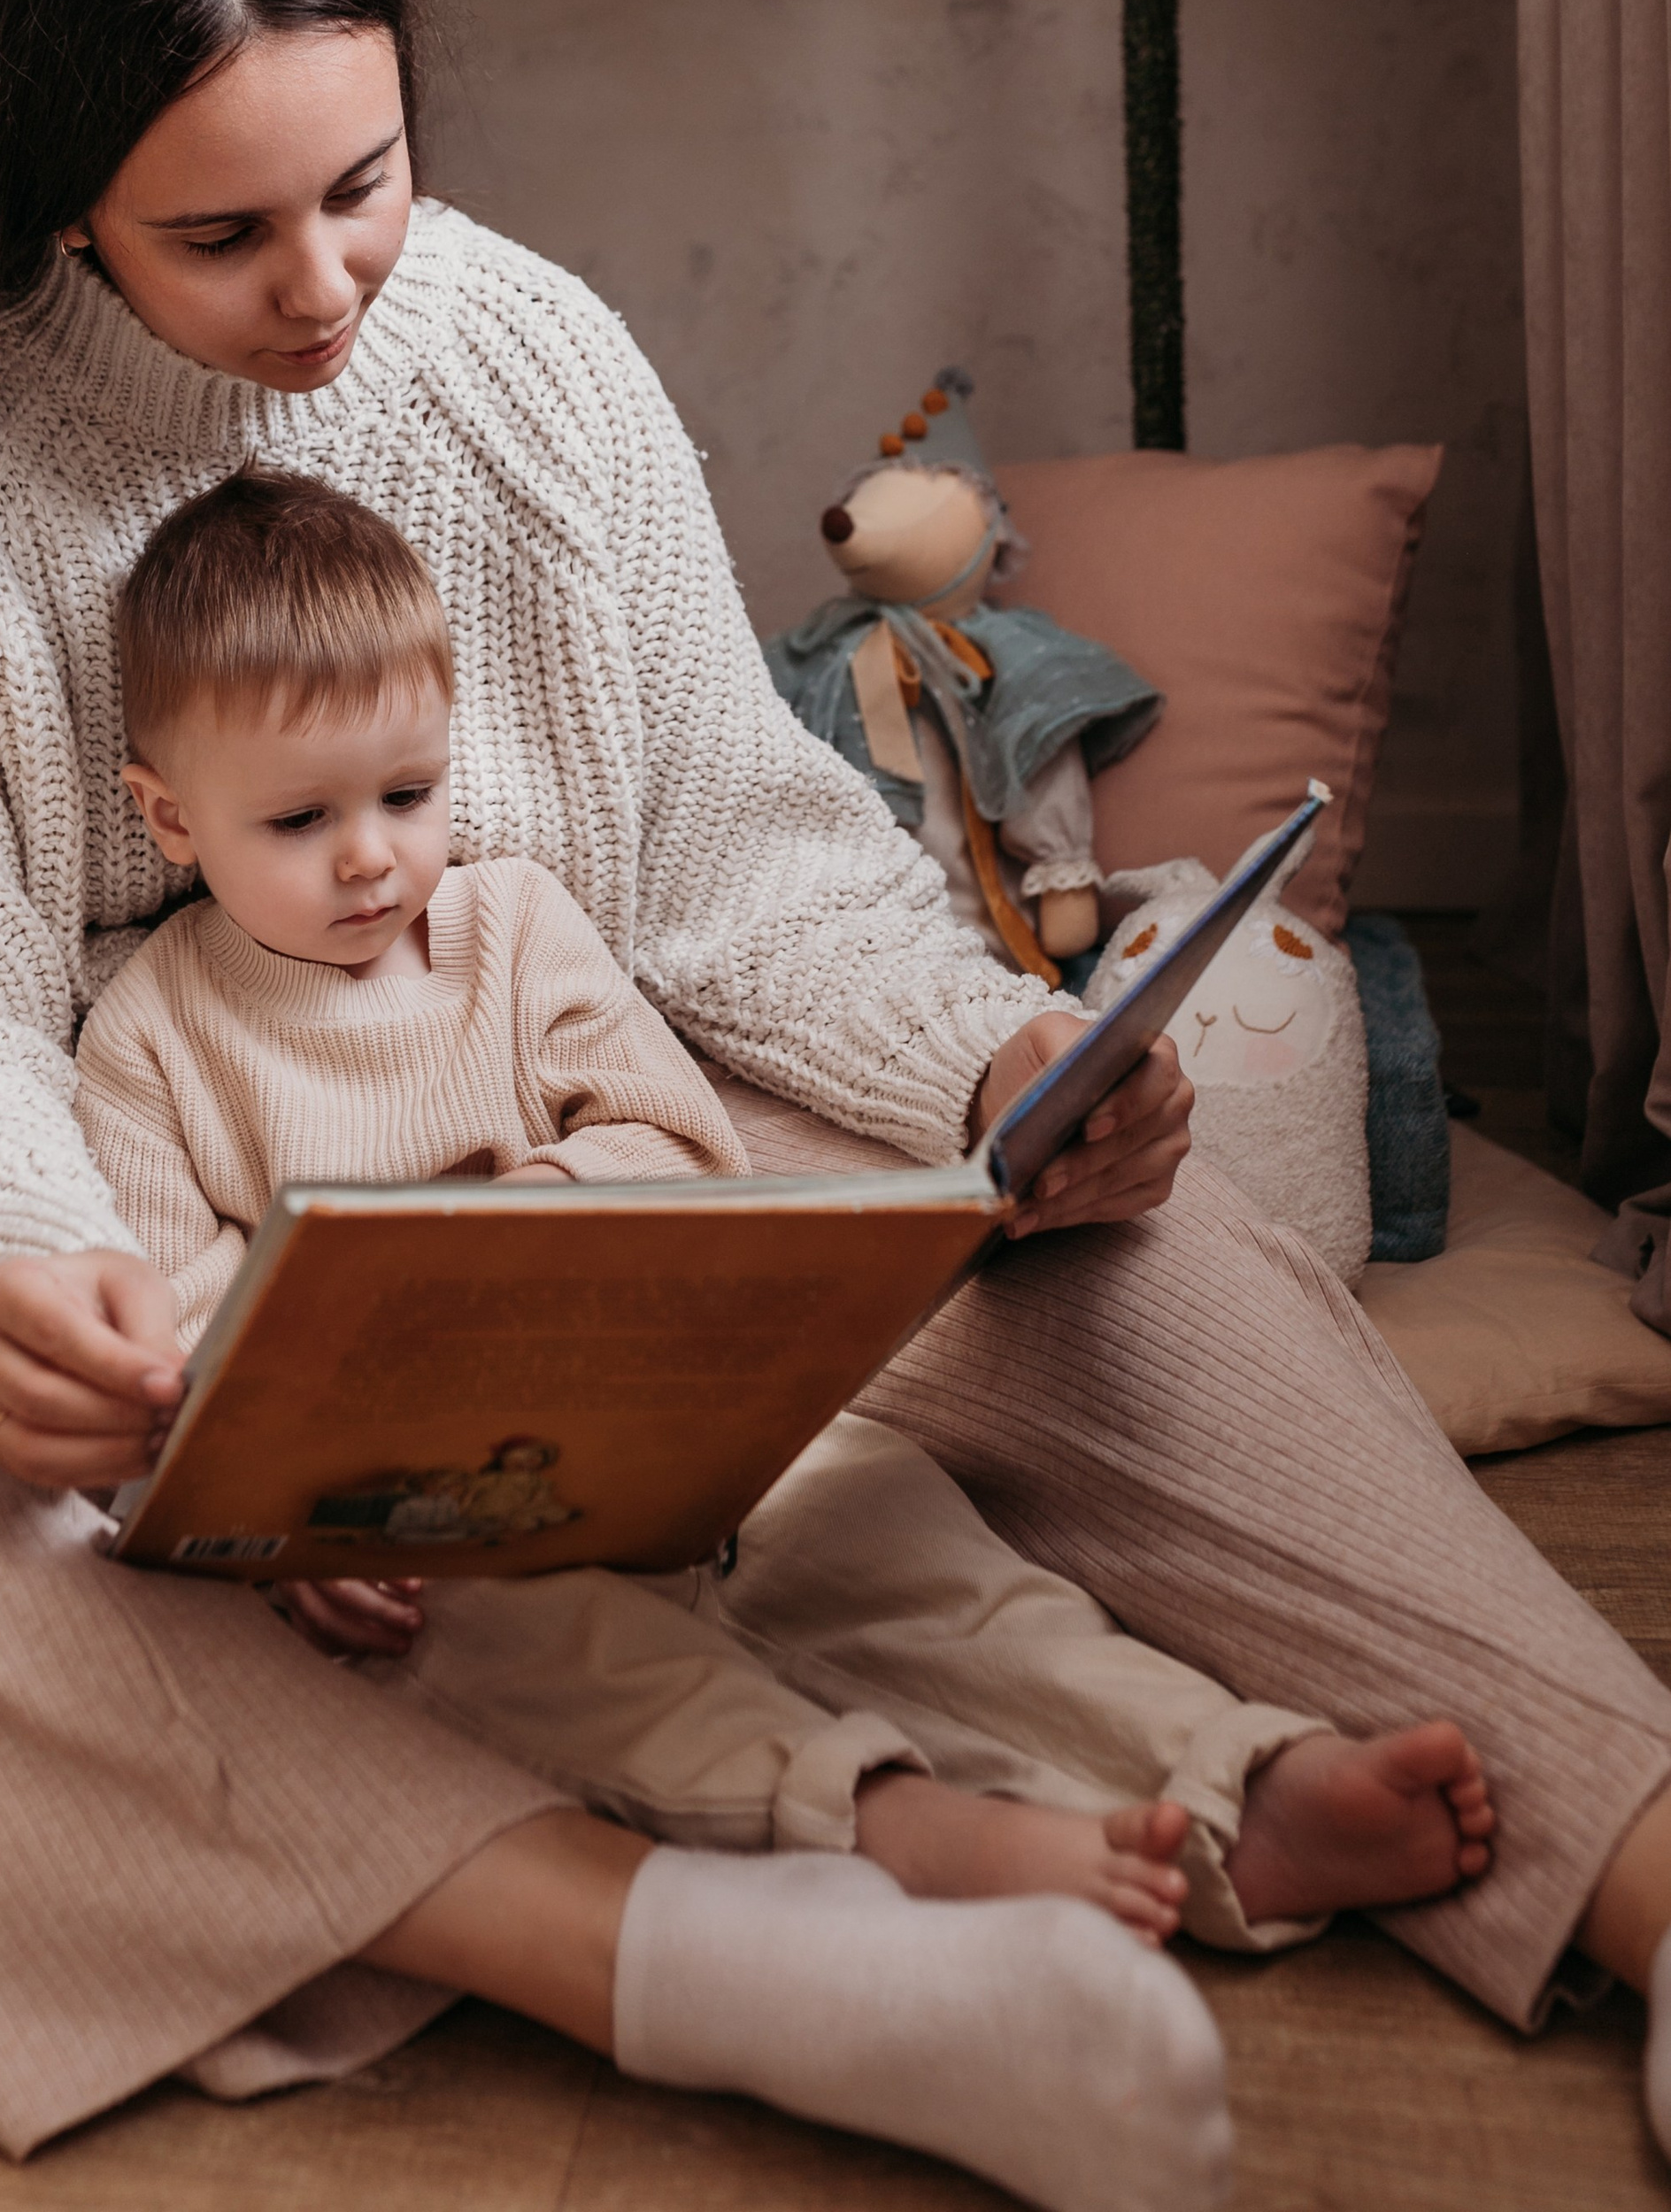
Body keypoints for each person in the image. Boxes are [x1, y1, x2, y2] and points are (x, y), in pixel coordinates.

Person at [0, 0, 1671, 2196]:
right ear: (56, 194)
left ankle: (1646, 1873)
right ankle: (689, 1954)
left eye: (368, 178)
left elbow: (741, 877)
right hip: (174, 1232)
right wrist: (43, 1293)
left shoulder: (525, 363)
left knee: (1148, 1271)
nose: (328, 279)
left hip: (619, 1145)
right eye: (222, 233)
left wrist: (993, 1066)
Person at [74, 462, 1497, 1959]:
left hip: (678, 1440)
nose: (372, 854)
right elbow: (187, 1322)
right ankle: (898, 1828)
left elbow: (676, 1144)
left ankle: (1236, 1774)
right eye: (301, 818)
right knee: (547, 1657)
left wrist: (537, 1216)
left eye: (409, 795)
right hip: (437, 1522)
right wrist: (302, 1520)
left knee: (912, 1548)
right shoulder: (152, 1036)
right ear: (171, 819)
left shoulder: (510, 924)